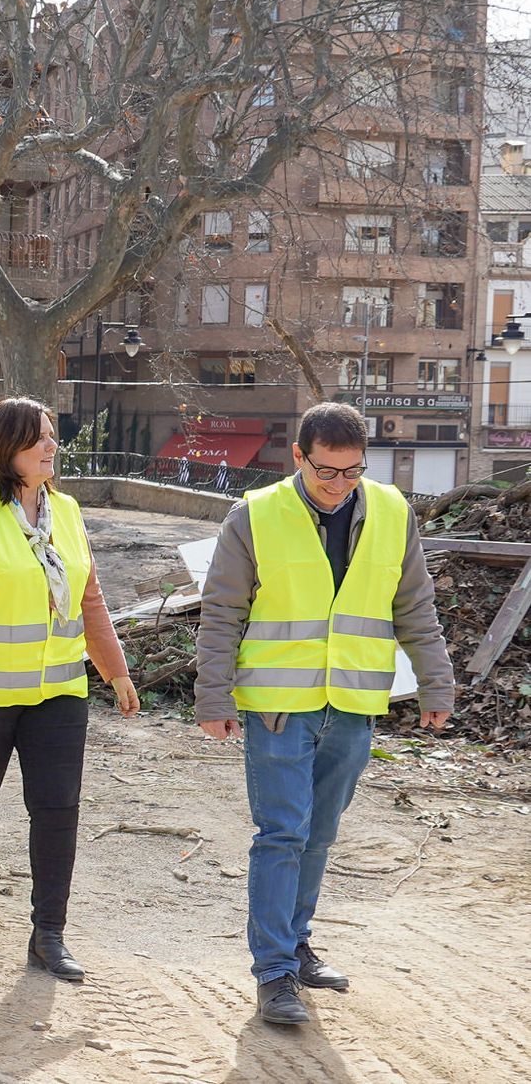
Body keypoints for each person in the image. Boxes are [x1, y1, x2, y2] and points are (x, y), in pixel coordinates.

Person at [194, 401, 453, 1026]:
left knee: (319, 835)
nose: (339, 486)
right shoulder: (254, 515)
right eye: (326, 472)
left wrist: (436, 685)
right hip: (280, 706)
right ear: (298, 458)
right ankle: (275, 973)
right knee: (282, 832)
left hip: (354, 705)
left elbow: (414, 605)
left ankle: (297, 943)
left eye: (352, 472)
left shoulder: (393, 513)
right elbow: (223, 611)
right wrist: (213, 694)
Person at [0, 397, 140, 982]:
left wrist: (114, 669)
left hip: (60, 693)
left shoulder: (66, 511)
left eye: (51, 435)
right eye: (36, 439)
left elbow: (88, 596)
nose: (51, 446)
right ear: (4, 451)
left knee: (56, 811)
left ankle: (48, 934)